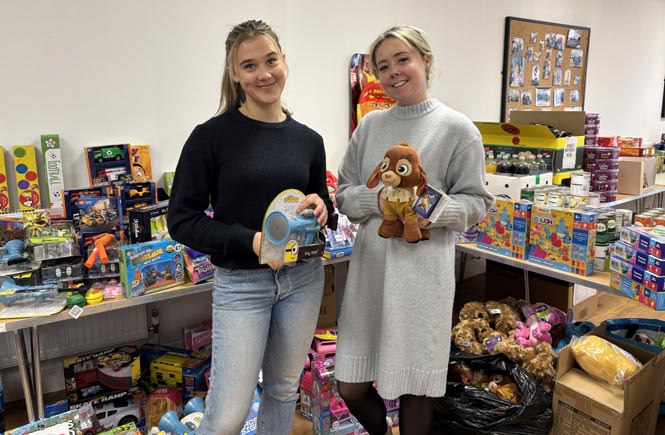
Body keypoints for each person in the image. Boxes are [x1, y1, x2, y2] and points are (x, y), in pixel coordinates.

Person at [167, 19, 333, 435]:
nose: (264, 74)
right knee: (228, 414)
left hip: (303, 278)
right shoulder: (210, 137)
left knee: (282, 391)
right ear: (235, 74)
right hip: (242, 285)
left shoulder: (308, 140)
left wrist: (321, 208)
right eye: (250, 65)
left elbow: (318, 202)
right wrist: (250, 241)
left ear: (284, 62)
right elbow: (181, 219)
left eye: (271, 60)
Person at [334, 25, 493, 435]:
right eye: (383, 66)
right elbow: (346, 193)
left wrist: (431, 209)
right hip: (370, 275)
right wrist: (381, 204)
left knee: (415, 387)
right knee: (350, 384)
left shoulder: (458, 129)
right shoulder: (369, 128)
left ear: (425, 61)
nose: (394, 72)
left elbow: (477, 203)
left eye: (402, 59)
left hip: (423, 280)